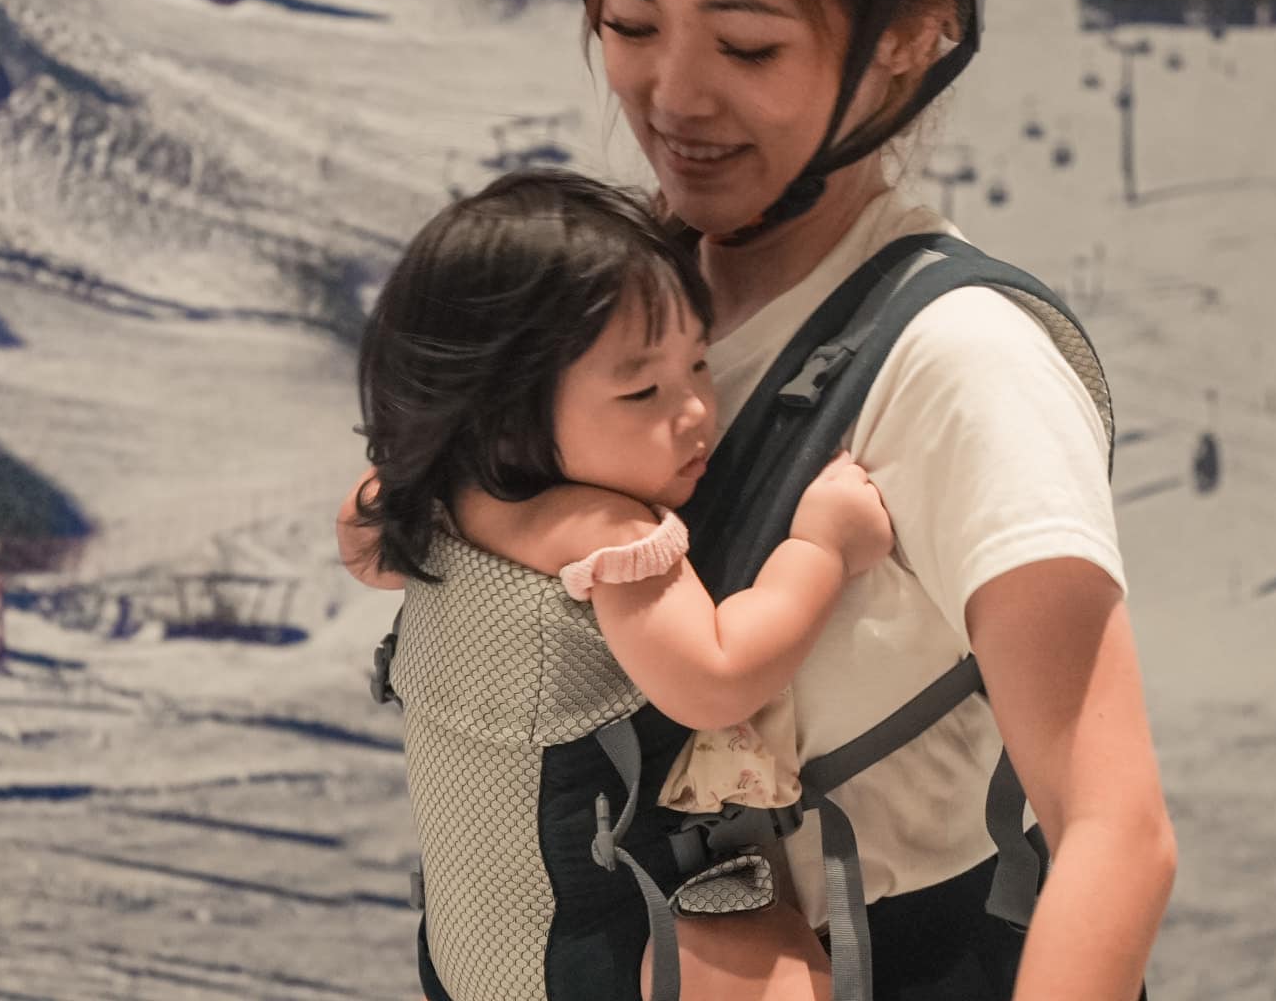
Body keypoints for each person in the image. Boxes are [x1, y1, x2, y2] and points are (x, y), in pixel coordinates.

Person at [559, 0, 1178, 999]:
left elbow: (1115, 835)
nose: (674, 94)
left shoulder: (963, 359)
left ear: (912, 32)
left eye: (747, 46)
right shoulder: (596, 311)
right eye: (630, 24)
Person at [337, 168, 899, 1000]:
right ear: (503, 409)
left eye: (700, 364)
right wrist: (821, 547)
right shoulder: (612, 538)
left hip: (465, 950)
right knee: (769, 955)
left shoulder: (432, 500)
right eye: (643, 391)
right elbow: (718, 679)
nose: (697, 409)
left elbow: (361, 543)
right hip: (603, 958)